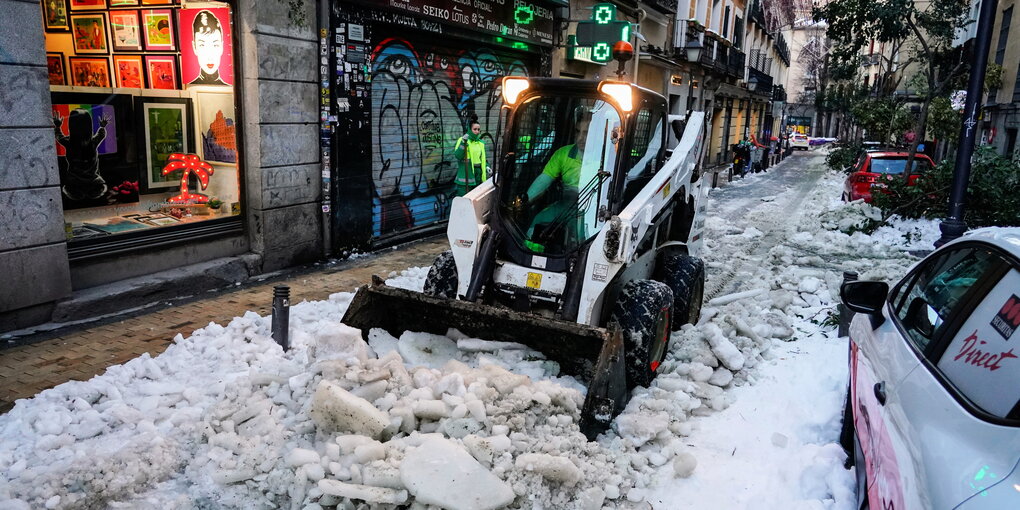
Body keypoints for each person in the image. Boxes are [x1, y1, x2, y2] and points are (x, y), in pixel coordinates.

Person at [189, 10, 228, 86]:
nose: (210, 56)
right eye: (202, 45)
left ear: (222, 46)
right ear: (194, 47)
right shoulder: (190, 87)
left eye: (215, 45)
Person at [453, 116, 487, 195]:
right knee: (464, 201)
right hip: (466, 177)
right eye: (475, 129)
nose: (477, 131)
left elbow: (482, 159)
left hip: (478, 176)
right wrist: (463, 143)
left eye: (478, 129)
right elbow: (458, 155)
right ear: (469, 129)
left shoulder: (481, 143)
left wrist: (486, 166)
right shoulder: (462, 140)